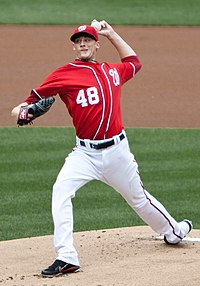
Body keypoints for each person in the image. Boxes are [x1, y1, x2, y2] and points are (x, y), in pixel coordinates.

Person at [11, 20, 192, 277]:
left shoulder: (112, 71)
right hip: (85, 154)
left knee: (138, 199)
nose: (82, 44)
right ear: (74, 47)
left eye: (87, 40)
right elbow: (23, 106)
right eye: (78, 41)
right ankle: (66, 257)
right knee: (61, 190)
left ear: (96, 45)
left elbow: (134, 63)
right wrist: (23, 112)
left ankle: (174, 232)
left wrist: (111, 33)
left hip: (117, 152)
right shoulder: (63, 74)